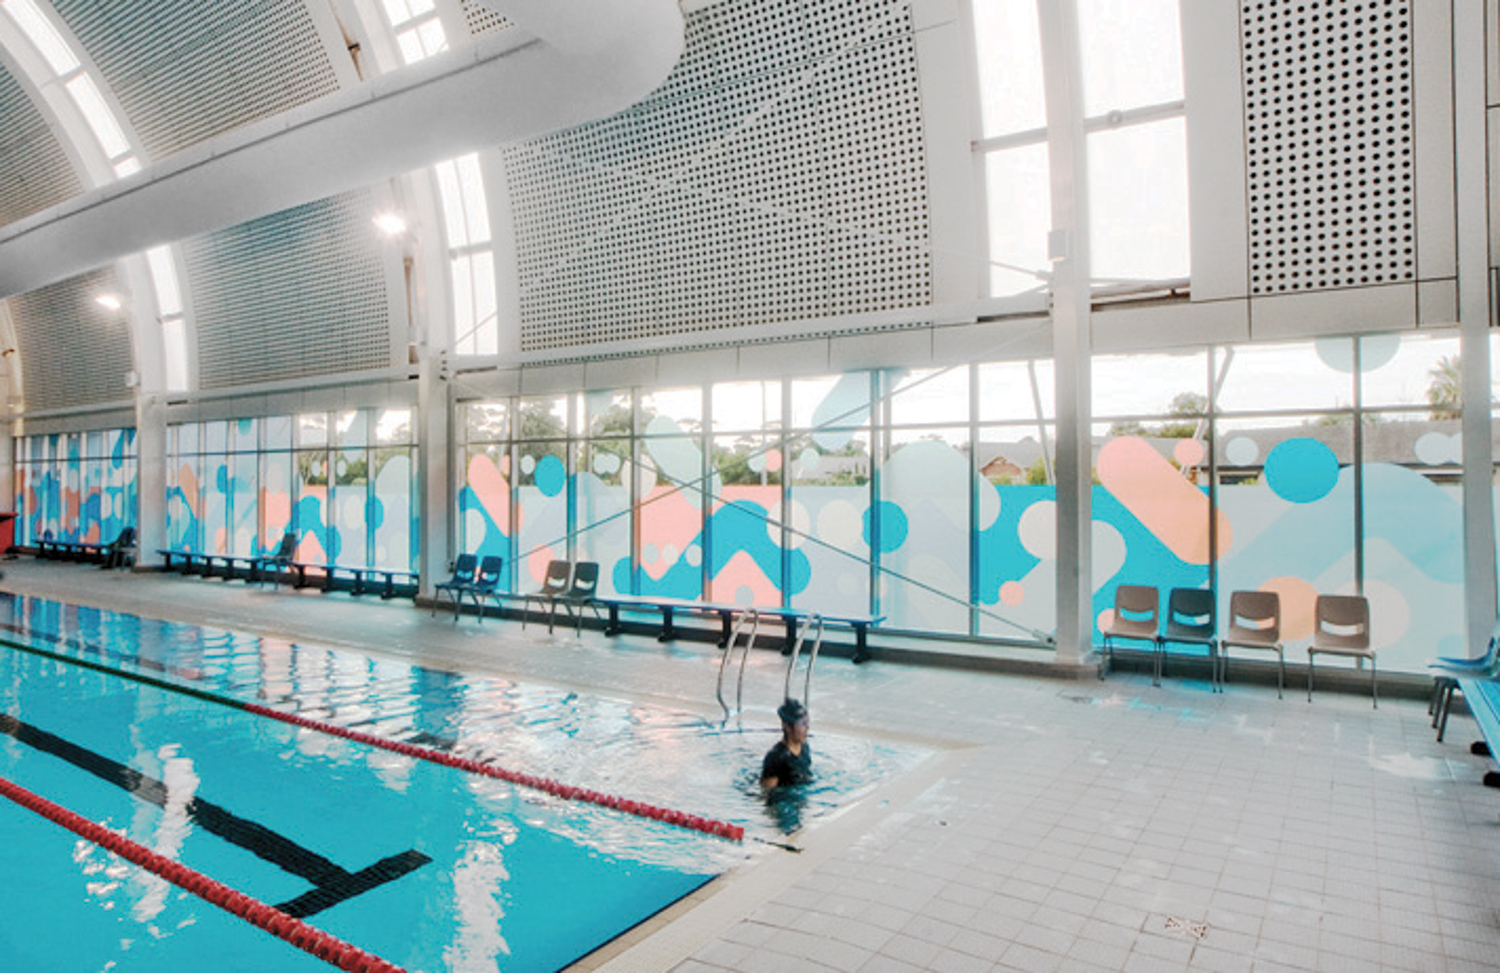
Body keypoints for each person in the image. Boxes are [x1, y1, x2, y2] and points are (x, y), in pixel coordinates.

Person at [760, 697, 812, 789]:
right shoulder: (776, 757)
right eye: (802, 724)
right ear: (787, 727)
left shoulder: (805, 748)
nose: (807, 728)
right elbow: (766, 791)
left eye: (807, 723)